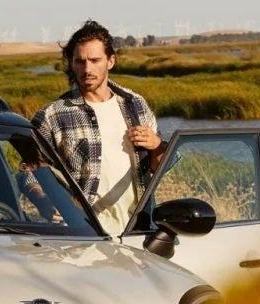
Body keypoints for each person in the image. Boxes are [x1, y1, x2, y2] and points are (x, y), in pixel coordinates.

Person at [32, 20, 167, 236]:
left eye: (95, 60)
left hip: (138, 230)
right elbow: (28, 171)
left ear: (110, 61)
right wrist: (45, 201)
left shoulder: (136, 105)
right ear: (72, 64)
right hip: (86, 233)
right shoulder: (52, 116)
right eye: (80, 61)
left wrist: (157, 145)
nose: (87, 69)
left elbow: (160, 166)